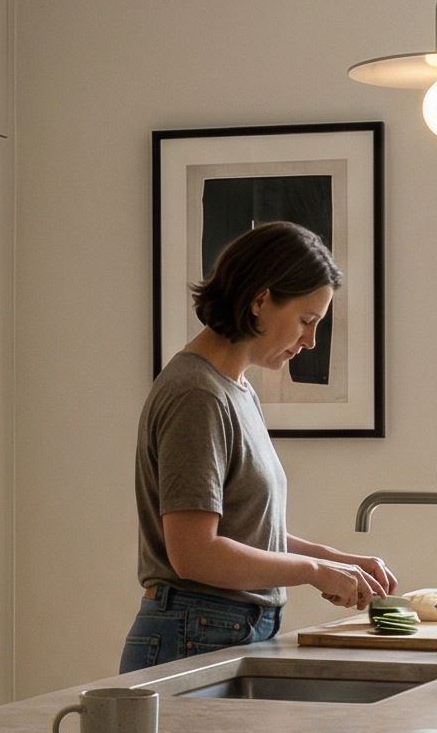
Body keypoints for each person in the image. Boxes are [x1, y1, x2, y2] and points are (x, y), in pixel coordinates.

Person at [122, 220, 396, 673]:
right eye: (306, 321)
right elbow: (194, 553)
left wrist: (336, 561)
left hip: (221, 628)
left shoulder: (236, 390)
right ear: (261, 300)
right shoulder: (198, 395)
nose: (309, 341)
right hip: (195, 631)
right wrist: (312, 573)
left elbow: (243, 530)